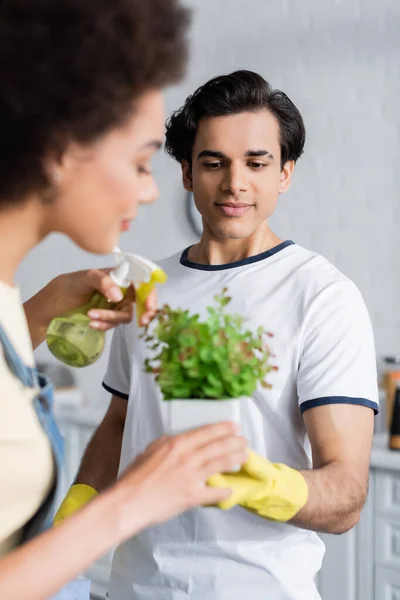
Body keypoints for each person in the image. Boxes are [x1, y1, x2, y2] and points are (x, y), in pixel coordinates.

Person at [63, 70, 379, 600]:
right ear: (186, 173)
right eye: (214, 163)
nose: (235, 183)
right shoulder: (147, 288)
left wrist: (267, 487)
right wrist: (76, 508)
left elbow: (346, 493)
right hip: (130, 590)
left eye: (257, 163)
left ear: (285, 174)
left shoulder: (322, 296)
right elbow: (121, 421)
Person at [0, 2, 248, 598]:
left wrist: (36, 315)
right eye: (141, 162)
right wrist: (133, 500)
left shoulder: (14, 301)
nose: (150, 188)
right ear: (62, 151)